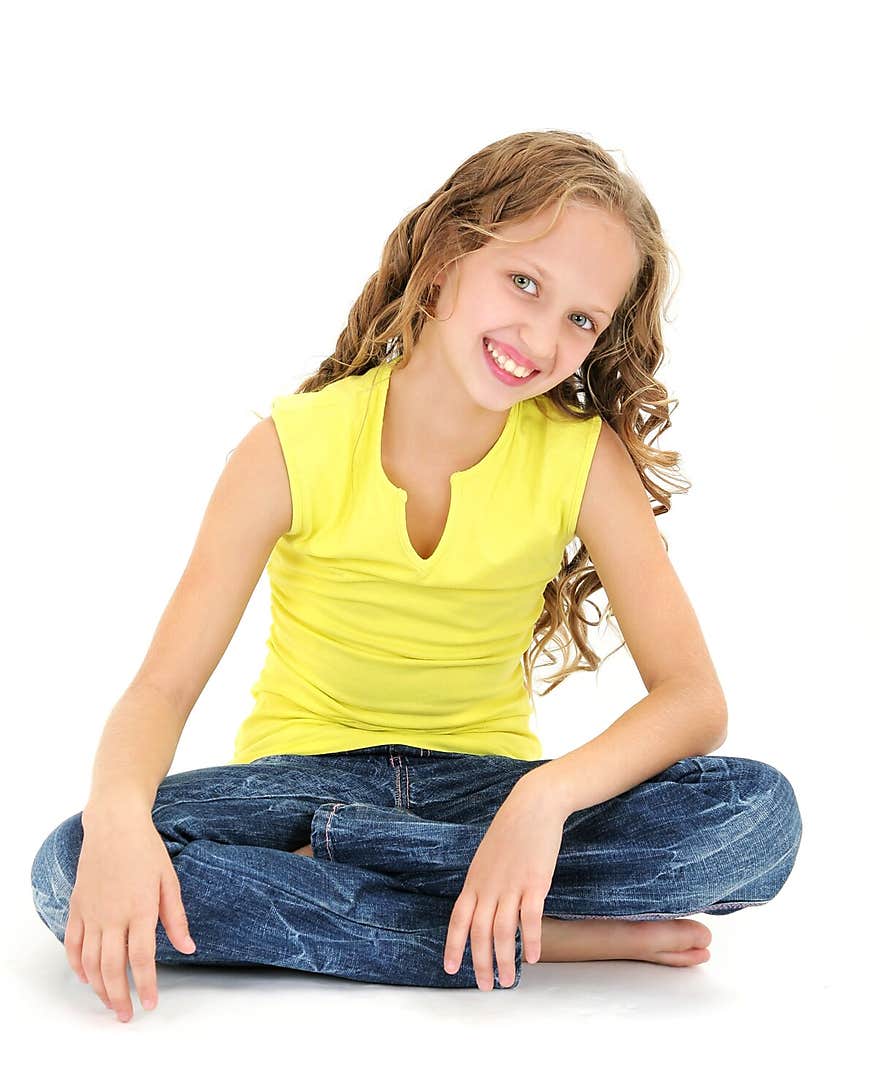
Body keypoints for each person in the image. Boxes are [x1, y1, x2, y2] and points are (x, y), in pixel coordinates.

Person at [30, 129, 803, 1022]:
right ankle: (529, 930)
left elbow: (694, 697)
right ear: (443, 261)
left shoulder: (585, 462)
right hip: (299, 785)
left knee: (759, 818)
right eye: (525, 283)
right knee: (71, 862)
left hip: (487, 797)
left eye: (581, 319)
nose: (541, 336)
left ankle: (389, 885)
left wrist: (541, 801)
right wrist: (121, 822)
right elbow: (162, 689)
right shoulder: (291, 447)